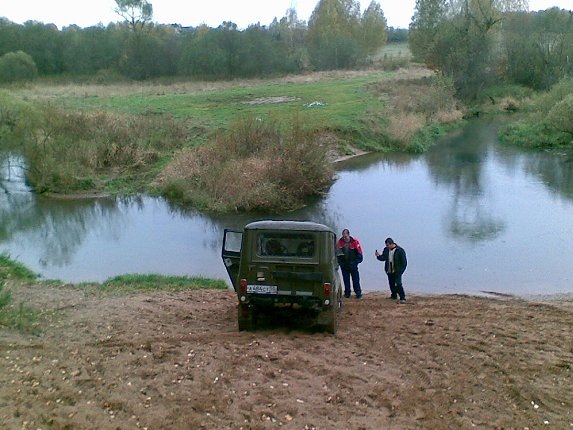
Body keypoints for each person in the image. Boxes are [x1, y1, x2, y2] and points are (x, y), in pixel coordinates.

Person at [375, 237, 407, 304]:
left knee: (398, 284)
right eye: (386, 245)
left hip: (397, 271)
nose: (387, 247)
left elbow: (404, 263)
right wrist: (378, 256)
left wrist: (401, 271)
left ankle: (402, 297)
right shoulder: (386, 250)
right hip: (389, 270)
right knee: (391, 284)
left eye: (387, 245)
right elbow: (383, 258)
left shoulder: (400, 250)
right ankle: (394, 295)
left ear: (391, 244)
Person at [337, 228, 363, 299]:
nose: (344, 238)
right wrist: (341, 263)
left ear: (348, 235)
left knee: (356, 280)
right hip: (344, 265)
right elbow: (338, 255)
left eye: (345, 236)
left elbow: (360, 254)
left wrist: (356, 262)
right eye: (343, 236)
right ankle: (347, 293)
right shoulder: (340, 242)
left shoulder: (355, 242)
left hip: (353, 264)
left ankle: (358, 293)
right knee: (346, 280)